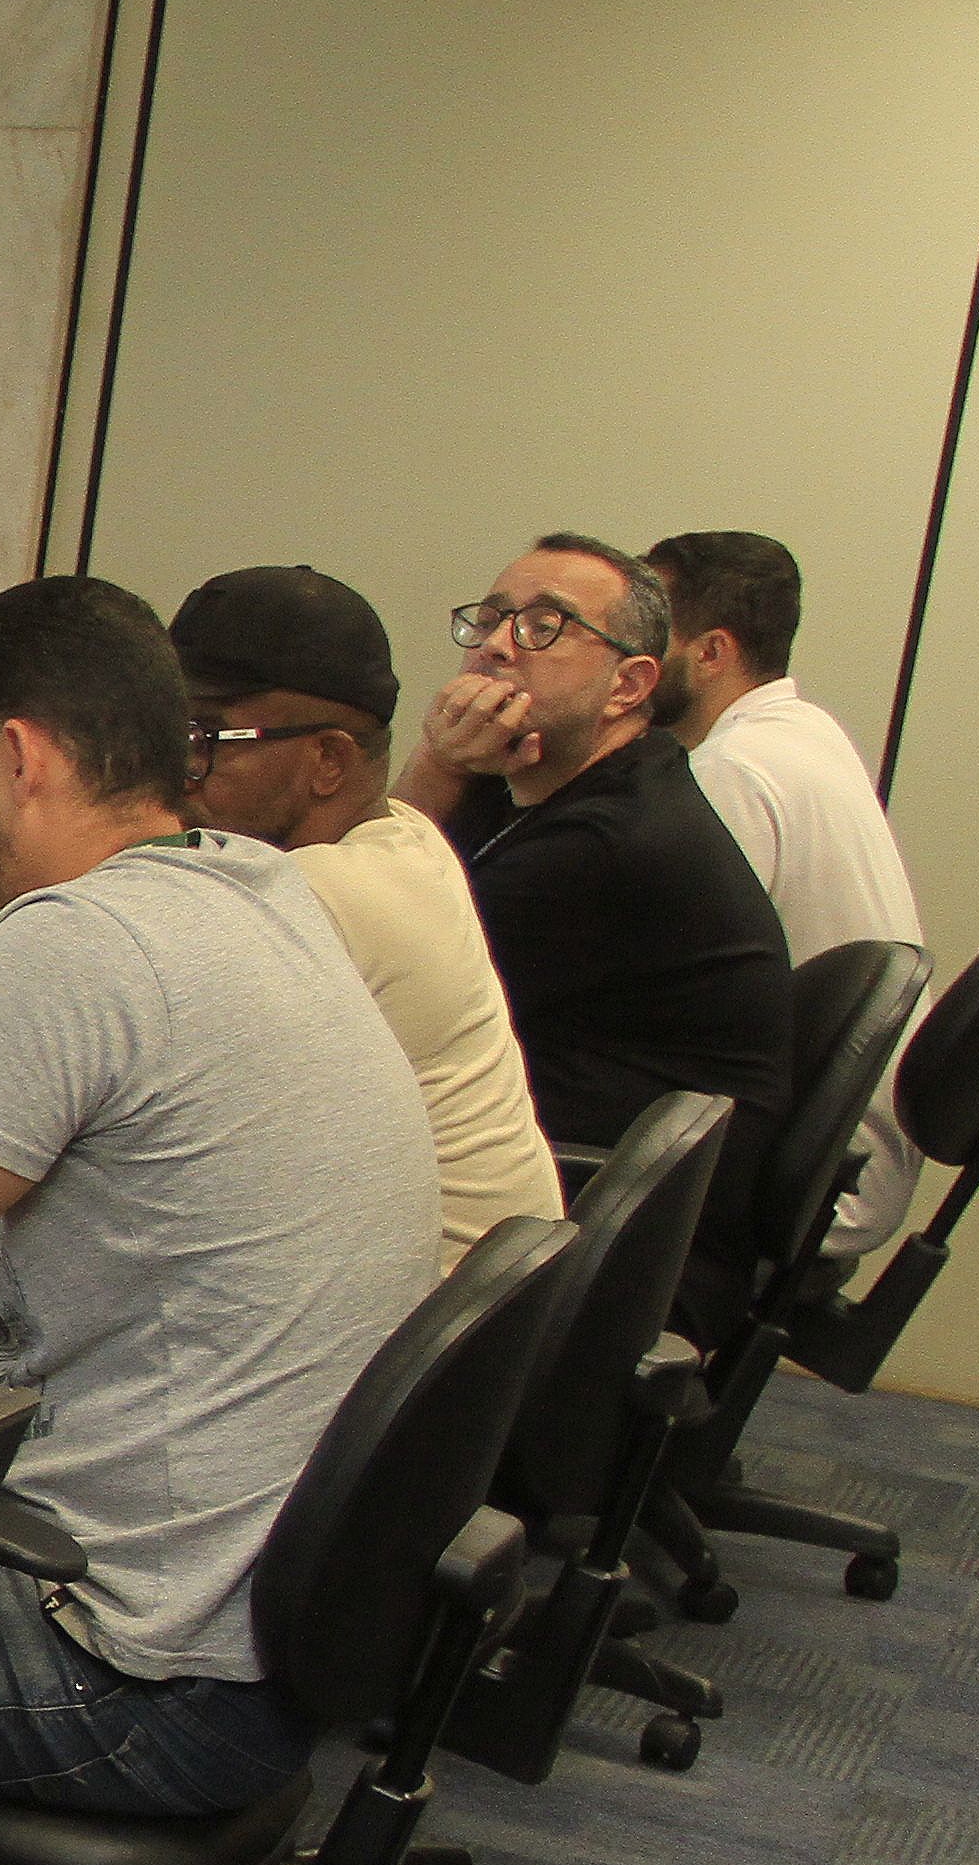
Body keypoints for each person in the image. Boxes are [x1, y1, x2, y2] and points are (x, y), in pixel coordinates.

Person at [0, 579, 438, 1865]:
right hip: (271, 1648)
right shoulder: (252, 891)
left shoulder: (79, 941)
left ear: (23, 759)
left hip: (135, 1684)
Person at [401, 534, 792, 1346]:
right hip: (565, 1208)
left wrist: (438, 761)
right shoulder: (549, 791)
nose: (498, 646)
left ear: (629, 684)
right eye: (493, 618)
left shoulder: (613, 844)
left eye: (546, 625)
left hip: (616, 1261)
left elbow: (358, 961)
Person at [167, 565, 559, 1262]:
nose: (173, 776)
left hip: (397, 1342)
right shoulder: (404, 836)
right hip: (459, 1326)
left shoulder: (298, 902)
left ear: (327, 761)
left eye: (204, 741)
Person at [648, 527, 923, 1243]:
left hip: (817, 1175)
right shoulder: (805, 733)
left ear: (711, 652)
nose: (630, 656)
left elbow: (659, 987)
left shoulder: (734, 770)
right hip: (844, 1152)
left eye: (651, 631)